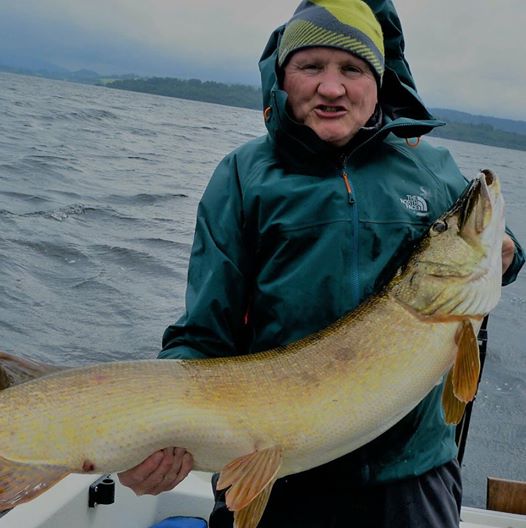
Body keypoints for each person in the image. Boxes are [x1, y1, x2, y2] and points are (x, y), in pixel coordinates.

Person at [119, 0, 525, 526]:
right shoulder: (244, 177)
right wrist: (151, 434)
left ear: (379, 81)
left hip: (411, 476)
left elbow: (479, 249)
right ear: (282, 78)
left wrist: (507, 248)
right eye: (311, 66)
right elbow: (203, 332)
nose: (331, 88)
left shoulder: (430, 168)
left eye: (352, 69)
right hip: (276, 470)